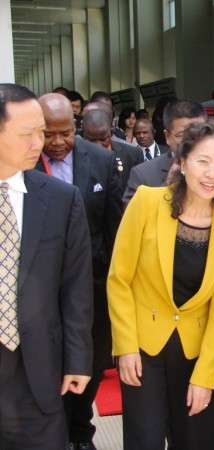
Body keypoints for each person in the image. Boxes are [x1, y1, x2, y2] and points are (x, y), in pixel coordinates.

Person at [107, 122, 214, 450]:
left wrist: (206, 374)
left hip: (195, 351)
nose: (212, 173)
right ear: (182, 162)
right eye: (203, 161)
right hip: (143, 346)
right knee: (145, 440)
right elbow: (119, 278)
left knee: (195, 440)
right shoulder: (147, 202)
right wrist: (125, 346)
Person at [0, 83, 94, 450]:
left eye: (41, 131)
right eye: (27, 133)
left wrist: (78, 359)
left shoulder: (60, 198)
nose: (38, 143)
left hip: (38, 369)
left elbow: (75, 288)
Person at [37, 93, 124, 450]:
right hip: (41, 290)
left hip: (92, 287)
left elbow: (113, 227)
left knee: (89, 361)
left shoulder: (102, 160)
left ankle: (80, 430)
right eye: (47, 134)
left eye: (65, 133)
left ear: (76, 127)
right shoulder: (20, 164)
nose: (57, 143)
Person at [123, 99, 214, 208]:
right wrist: (167, 186)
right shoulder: (143, 175)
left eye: (199, 132)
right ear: (167, 136)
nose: (191, 140)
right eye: (181, 134)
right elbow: (133, 223)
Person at [82, 109, 144, 193]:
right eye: (91, 140)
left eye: (102, 139)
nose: (98, 146)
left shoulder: (133, 155)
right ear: (83, 136)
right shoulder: (75, 156)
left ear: (111, 133)